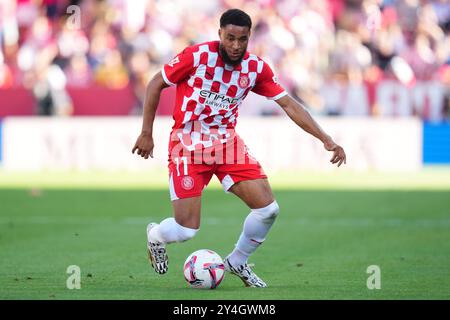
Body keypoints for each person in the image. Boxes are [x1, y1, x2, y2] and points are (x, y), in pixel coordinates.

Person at [132, 9, 346, 288]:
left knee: (268, 210)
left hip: (226, 144)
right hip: (187, 143)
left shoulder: (256, 68)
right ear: (220, 33)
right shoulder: (196, 57)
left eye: (242, 39)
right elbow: (155, 83)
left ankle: (238, 261)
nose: (235, 45)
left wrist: (326, 138)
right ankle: (156, 236)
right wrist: (147, 132)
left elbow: (289, 105)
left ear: (249, 37)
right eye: (230, 38)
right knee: (185, 230)